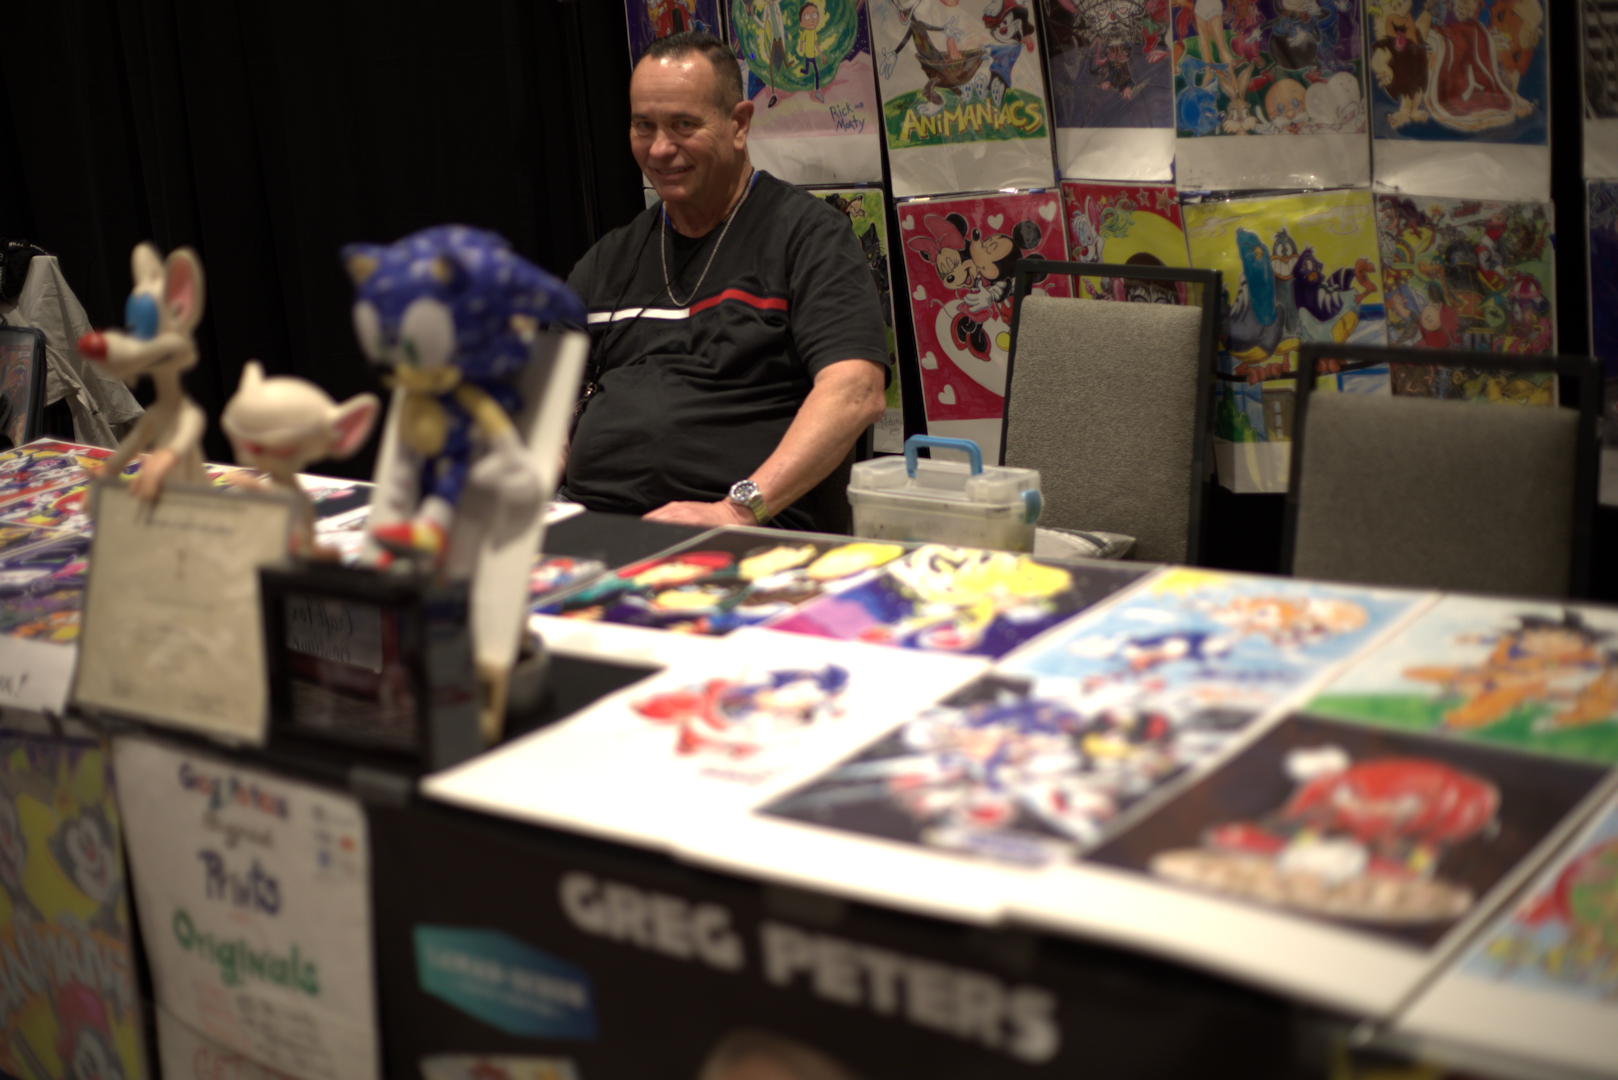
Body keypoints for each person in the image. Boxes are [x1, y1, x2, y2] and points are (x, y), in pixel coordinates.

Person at [562, 31, 887, 532]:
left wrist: (737, 509)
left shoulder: (808, 237)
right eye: (643, 126)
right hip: (591, 524)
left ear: (739, 124)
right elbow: (544, 408)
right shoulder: (609, 259)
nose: (660, 149)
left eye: (683, 125)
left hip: (737, 531)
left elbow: (857, 390)